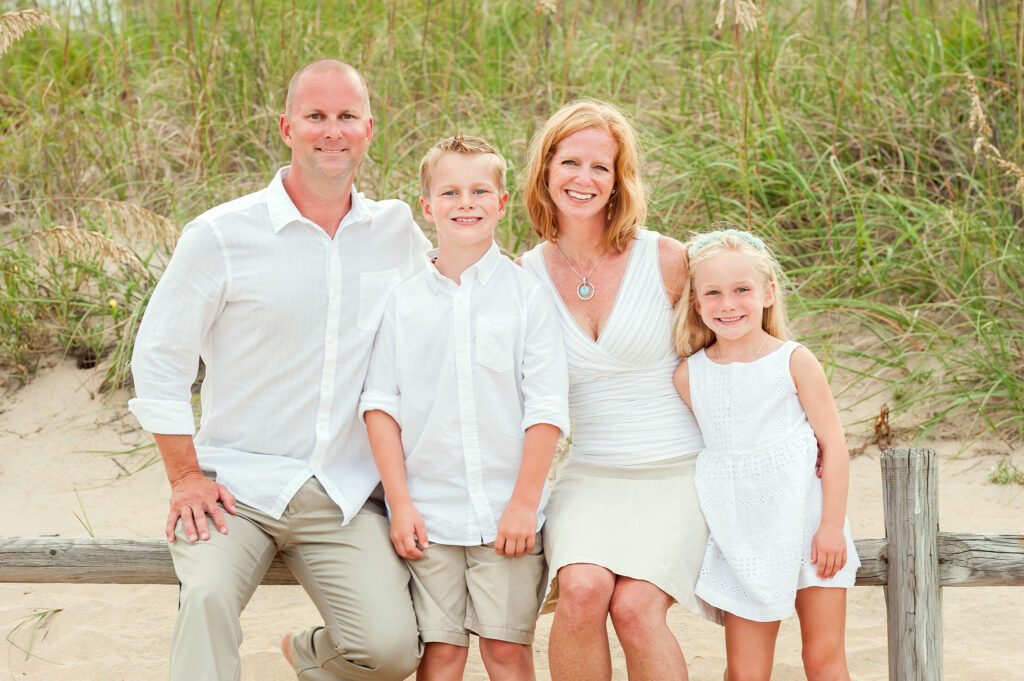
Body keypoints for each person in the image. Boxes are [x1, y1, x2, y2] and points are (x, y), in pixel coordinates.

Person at [127, 59, 431, 681]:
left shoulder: (396, 231)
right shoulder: (220, 235)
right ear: (287, 127)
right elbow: (159, 357)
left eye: (347, 116)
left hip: (344, 492)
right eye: (316, 116)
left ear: (368, 129)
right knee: (207, 599)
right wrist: (184, 476)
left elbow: (458, 298)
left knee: (393, 651)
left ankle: (308, 653)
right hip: (236, 488)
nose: (332, 131)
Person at [519, 100, 721, 681]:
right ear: (545, 171)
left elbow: (733, 356)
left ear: (617, 180)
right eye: (569, 162)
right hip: (591, 471)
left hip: (677, 470)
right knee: (582, 593)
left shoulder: (666, 259)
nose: (583, 178)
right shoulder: (525, 275)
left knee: (634, 608)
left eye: (600, 167)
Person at [360, 134, 570, 681]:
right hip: (428, 513)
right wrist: (400, 505)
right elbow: (381, 408)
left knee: (505, 650)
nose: (466, 203)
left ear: (502, 203)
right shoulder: (403, 302)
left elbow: (545, 409)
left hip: (507, 510)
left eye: (480, 191)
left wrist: (523, 504)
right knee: (442, 653)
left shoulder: (527, 296)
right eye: (449, 192)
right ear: (427, 207)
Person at [671, 226, 860, 681]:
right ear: (696, 303)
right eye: (713, 293)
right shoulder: (689, 376)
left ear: (768, 292)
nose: (728, 304)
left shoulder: (793, 361)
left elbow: (834, 447)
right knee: (746, 671)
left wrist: (831, 527)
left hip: (810, 526)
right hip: (743, 535)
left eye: (742, 290)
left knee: (823, 659)